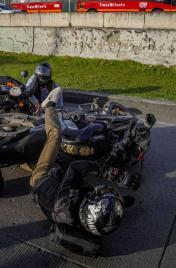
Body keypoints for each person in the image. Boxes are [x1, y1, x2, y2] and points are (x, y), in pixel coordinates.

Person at [29, 87, 140, 255]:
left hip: (41, 178)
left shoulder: (67, 200)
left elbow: (77, 167)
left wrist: (116, 175)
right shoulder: (86, 224)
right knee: (80, 179)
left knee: (56, 136)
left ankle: (49, 106)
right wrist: (115, 205)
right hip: (54, 191)